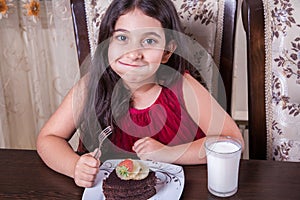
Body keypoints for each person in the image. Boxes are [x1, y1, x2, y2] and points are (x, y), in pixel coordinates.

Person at [37, 0, 244, 188]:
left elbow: (233, 140)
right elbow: (48, 139)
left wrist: (168, 153)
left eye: (150, 41)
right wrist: (74, 166)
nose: (134, 53)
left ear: (167, 51)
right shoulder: (90, 86)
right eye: (122, 37)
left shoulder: (184, 87)